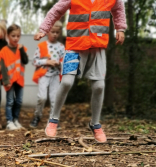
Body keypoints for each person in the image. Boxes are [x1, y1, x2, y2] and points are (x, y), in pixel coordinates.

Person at [35, 0, 127, 142]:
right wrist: (44, 29)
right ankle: (53, 119)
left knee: (99, 86)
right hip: (74, 48)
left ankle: (95, 124)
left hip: (97, 47)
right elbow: (56, 10)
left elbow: (118, 9)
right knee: (66, 83)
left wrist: (120, 28)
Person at [30, 21, 65, 128]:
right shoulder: (41, 45)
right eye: (52, 32)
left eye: (57, 32)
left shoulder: (61, 47)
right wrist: (47, 62)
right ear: (48, 32)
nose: (54, 34)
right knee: (42, 97)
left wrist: (59, 64)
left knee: (54, 98)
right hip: (44, 75)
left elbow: (64, 61)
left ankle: (53, 120)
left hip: (55, 75)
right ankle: (37, 116)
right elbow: (34, 61)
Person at [0, 24, 28, 131]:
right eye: (13, 36)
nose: (16, 38)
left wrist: (21, 50)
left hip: (19, 79)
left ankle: (16, 119)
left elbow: (25, 61)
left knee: (19, 101)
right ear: (8, 36)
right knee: (10, 101)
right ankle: (9, 121)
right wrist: (5, 80)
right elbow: (3, 67)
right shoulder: (4, 51)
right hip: (9, 80)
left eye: (18, 36)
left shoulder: (22, 48)